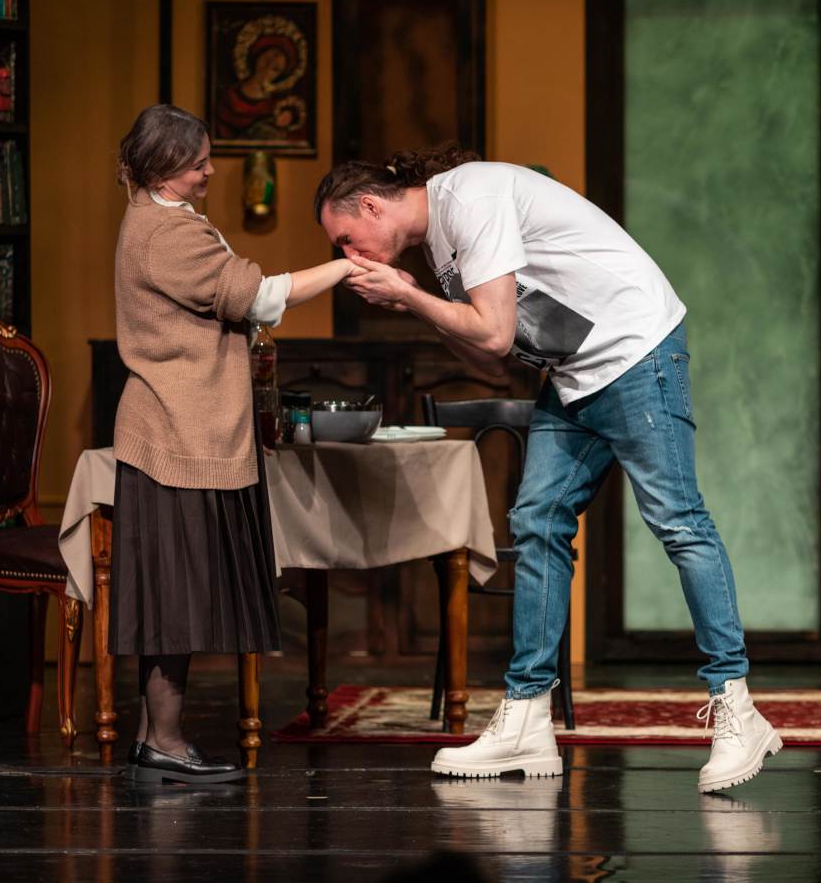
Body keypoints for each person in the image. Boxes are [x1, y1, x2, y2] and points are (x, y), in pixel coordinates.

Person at [313, 146, 782, 793]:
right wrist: (416, 299)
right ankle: (528, 717)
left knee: (678, 521)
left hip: (636, 352)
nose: (349, 254)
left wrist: (411, 296)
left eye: (346, 239)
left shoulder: (469, 197)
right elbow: (489, 354)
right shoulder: (440, 243)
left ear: (369, 206)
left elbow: (493, 333)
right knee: (537, 521)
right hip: (575, 375)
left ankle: (737, 707)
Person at [112, 104, 362, 784]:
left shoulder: (161, 218)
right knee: (174, 600)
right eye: (199, 163)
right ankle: (164, 741)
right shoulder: (166, 233)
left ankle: (154, 739)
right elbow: (258, 297)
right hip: (176, 432)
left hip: (180, 428)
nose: (210, 172)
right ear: (166, 166)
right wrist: (343, 270)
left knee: (174, 596)